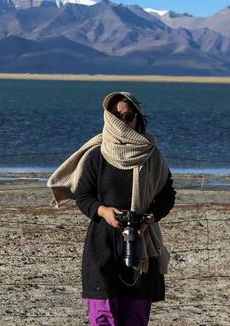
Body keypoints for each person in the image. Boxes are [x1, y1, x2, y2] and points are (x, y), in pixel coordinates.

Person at [48, 91, 176, 326]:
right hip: (102, 245)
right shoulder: (97, 155)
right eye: (117, 116)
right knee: (103, 315)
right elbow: (83, 196)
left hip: (141, 244)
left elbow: (167, 196)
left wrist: (150, 217)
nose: (123, 122)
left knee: (136, 316)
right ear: (108, 118)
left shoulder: (152, 156)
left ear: (138, 119)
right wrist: (104, 212)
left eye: (129, 117)